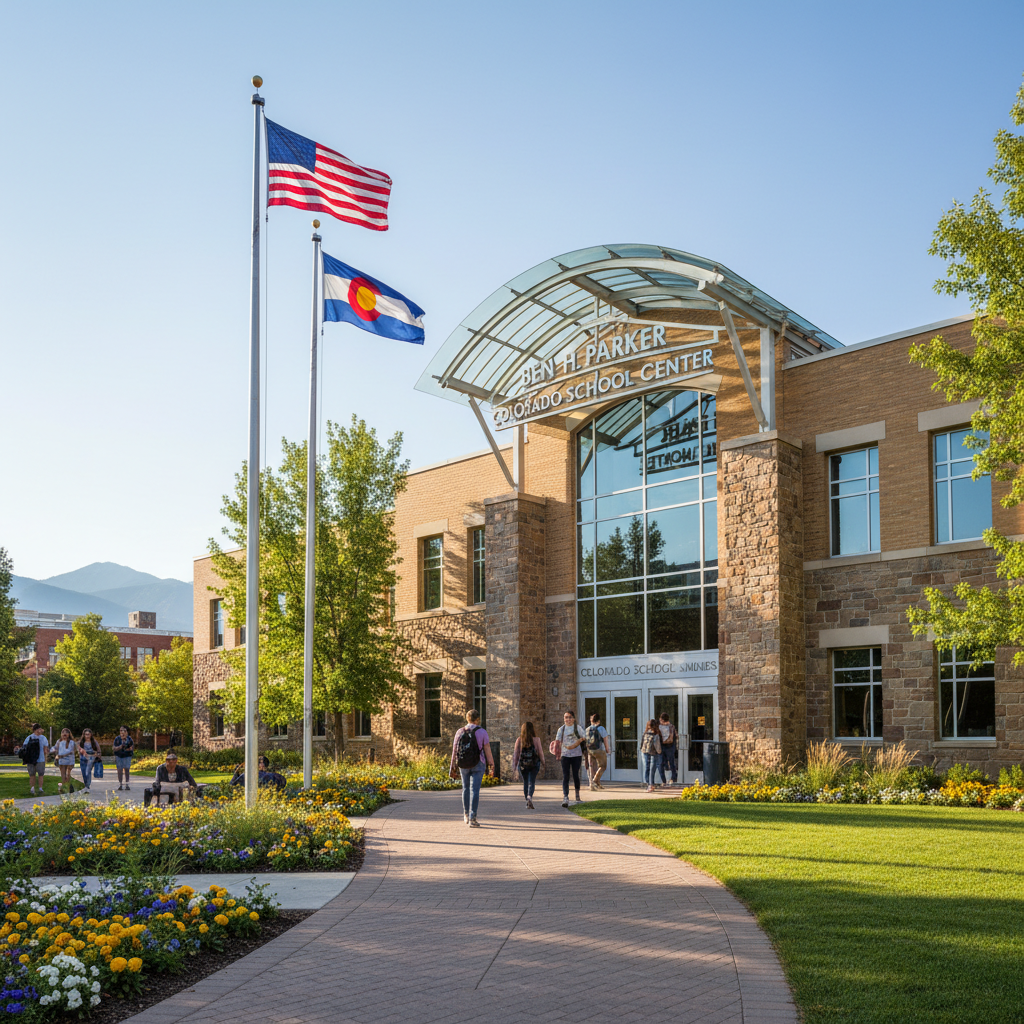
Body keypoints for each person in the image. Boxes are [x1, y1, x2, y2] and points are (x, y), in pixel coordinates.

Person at [449, 708, 494, 827]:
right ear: (477, 719)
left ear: (467, 719)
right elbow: (487, 750)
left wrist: (452, 767)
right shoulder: (482, 732)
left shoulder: (459, 732)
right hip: (478, 763)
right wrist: (492, 765)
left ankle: (465, 814)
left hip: (463, 763)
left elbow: (454, 751)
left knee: (465, 788)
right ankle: (473, 817)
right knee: (475, 790)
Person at [554, 710, 586, 808]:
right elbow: (557, 742)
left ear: (574, 718)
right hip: (565, 755)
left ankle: (577, 796)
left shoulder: (578, 728)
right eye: (566, 717)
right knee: (566, 776)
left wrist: (580, 740)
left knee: (576, 775)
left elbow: (584, 737)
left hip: (576, 755)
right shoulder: (561, 729)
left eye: (570, 717)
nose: (568, 719)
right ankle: (565, 797)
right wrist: (557, 753)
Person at [512, 721, 545, 809]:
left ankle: (527, 800)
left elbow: (516, 754)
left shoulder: (519, 740)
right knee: (532, 781)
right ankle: (530, 797)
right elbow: (540, 753)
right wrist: (543, 762)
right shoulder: (536, 739)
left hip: (523, 764)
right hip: (534, 764)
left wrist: (514, 767)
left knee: (525, 782)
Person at [20, 723, 49, 796]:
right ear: (38, 729)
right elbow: (45, 750)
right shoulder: (43, 738)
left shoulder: (29, 737)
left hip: (30, 759)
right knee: (41, 775)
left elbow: (24, 748)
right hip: (41, 759)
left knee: (32, 775)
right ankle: (40, 788)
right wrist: (46, 758)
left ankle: (32, 788)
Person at [585, 713, 610, 790]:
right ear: (599, 720)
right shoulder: (601, 728)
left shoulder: (587, 729)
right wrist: (607, 749)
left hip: (590, 750)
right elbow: (605, 740)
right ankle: (595, 780)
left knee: (592, 766)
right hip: (599, 749)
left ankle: (597, 784)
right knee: (603, 766)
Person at [640, 720, 663, 792]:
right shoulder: (656, 734)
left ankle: (648, 783)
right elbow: (658, 746)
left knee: (647, 767)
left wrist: (641, 749)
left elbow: (641, 743)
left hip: (645, 752)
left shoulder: (645, 733)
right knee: (652, 769)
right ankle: (651, 784)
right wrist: (660, 752)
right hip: (654, 753)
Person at [657, 712, 679, 787]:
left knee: (665, 763)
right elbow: (676, 736)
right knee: (665, 763)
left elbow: (675, 736)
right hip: (666, 746)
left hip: (667, 746)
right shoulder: (670, 727)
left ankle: (670, 778)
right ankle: (667, 779)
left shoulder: (670, 727)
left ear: (662, 719)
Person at [53, 728, 77, 794]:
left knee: (68, 774)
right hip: (61, 760)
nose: (64, 733)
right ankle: (64, 787)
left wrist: (62, 755)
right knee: (63, 774)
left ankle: (68, 786)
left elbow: (71, 751)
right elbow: (56, 748)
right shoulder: (59, 741)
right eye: (63, 732)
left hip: (70, 760)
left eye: (66, 732)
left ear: (69, 734)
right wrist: (56, 755)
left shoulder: (72, 742)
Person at [113, 726, 134, 792]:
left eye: (124, 731)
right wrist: (120, 747)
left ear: (127, 732)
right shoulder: (117, 739)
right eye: (121, 731)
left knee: (127, 769)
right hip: (119, 756)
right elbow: (114, 748)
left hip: (127, 756)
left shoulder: (129, 739)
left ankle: (127, 784)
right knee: (119, 770)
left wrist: (128, 748)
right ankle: (120, 784)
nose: (122, 732)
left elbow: (131, 748)